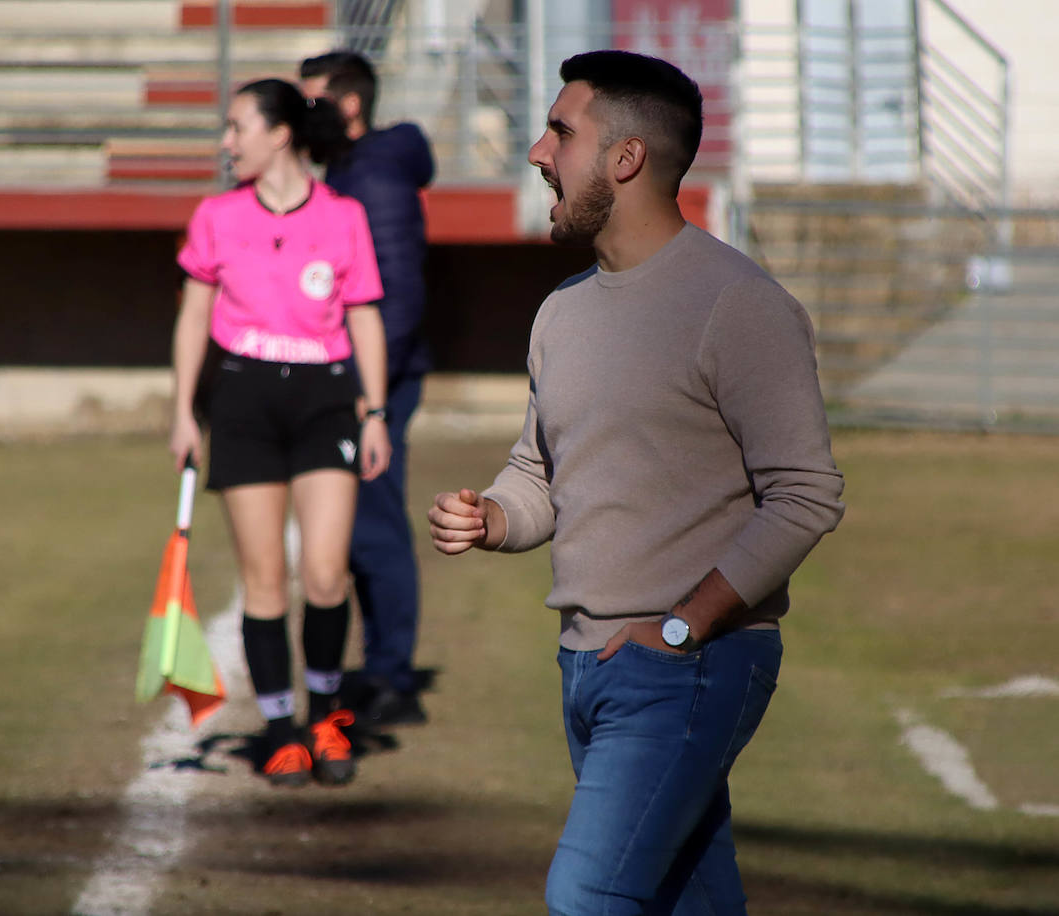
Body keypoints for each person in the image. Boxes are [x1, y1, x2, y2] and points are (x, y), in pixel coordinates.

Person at [427, 50, 846, 915]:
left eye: (561, 132)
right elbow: (540, 469)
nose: (539, 152)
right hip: (586, 664)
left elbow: (805, 493)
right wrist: (494, 516)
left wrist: (682, 628)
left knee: (588, 897)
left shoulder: (741, 305)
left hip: (689, 665)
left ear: (626, 160)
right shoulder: (561, 312)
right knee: (686, 897)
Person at [170, 77, 393, 788]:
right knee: (265, 583)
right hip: (243, 404)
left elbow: (364, 315)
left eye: (238, 127)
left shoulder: (344, 216)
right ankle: (278, 729)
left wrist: (377, 410)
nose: (227, 142)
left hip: (327, 403)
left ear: (280, 134)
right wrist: (183, 409)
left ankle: (325, 716)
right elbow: (193, 316)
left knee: (325, 575)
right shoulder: (215, 216)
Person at [298, 49, 434, 726]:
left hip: (375, 380)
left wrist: (366, 393)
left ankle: (392, 680)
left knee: (373, 524)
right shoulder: (354, 169)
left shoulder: (373, 174)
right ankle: (381, 667)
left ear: (349, 106)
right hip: (360, 376)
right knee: (352, 527)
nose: (301, 115)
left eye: (312, 99)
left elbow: (397, 300)